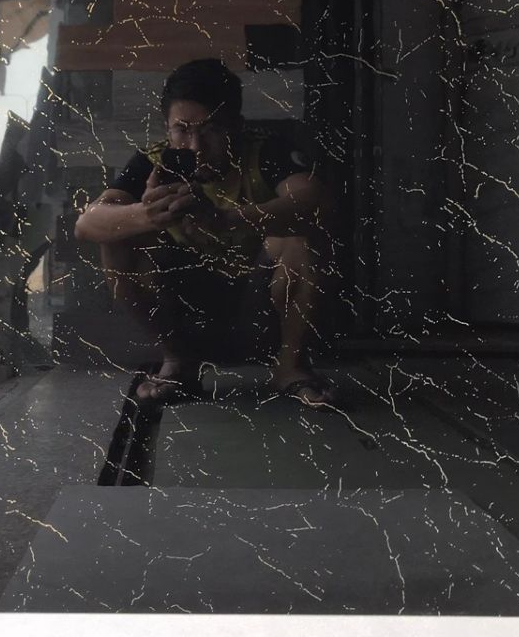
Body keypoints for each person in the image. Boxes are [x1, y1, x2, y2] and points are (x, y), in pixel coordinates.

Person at [75, 58, 335, 407]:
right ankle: (177, 361)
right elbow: (86, 224)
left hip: (258, 303)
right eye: (182, 130)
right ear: (167, 128)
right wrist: (147, 215)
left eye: (211, 130)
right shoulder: (154, 161)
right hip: (186, 307)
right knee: (117, 238)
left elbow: (315, 202)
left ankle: (290, 366)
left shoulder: (265, 151)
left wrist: (225, 219)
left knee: (300, 237)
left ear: (235, 126)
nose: (195, 146)